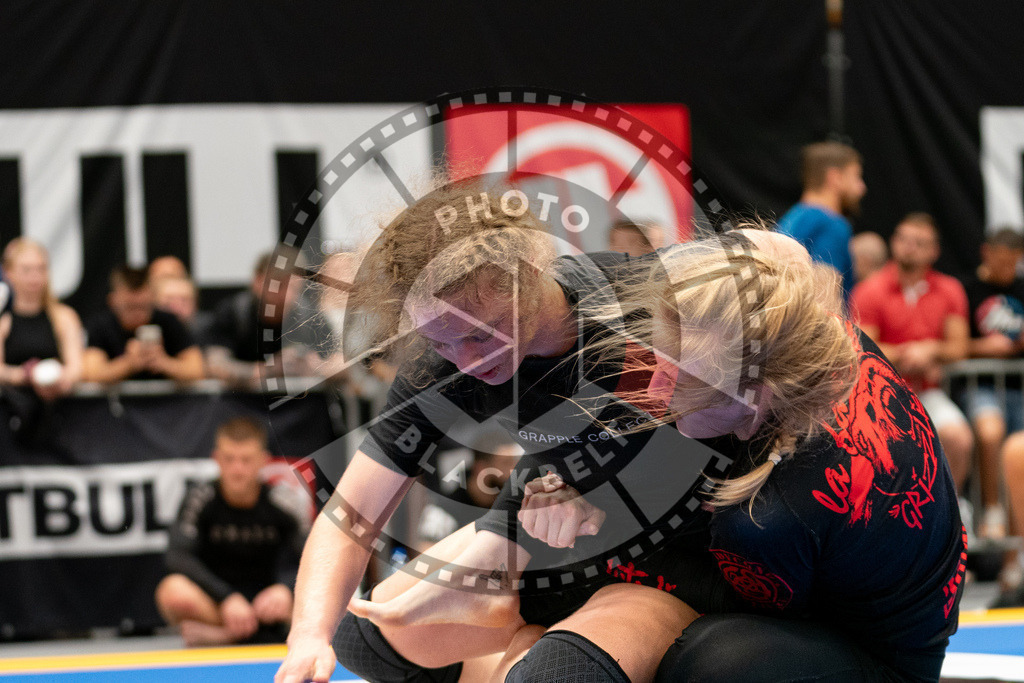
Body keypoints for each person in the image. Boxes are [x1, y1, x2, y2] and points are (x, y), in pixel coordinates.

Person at [275, 181, 734, 683]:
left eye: (482, 332)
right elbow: (353, 511)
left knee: (550, 674)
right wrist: (306, 638)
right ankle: (522, 639)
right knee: (360, 639)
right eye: (441, 340)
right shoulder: (443, 364)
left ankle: (532, 650)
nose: (469, 362)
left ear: (532, 270)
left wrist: (583, 496)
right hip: (563, 537)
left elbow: (757, 420)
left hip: (683, 552)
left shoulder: (644, 305)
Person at [503, 236, 965, 681]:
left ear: (748, 398)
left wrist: (600, 524)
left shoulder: (768, 513)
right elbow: (777, 255)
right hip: (911, 584)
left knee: (707, 659)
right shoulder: (806, 328)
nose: (654, 389)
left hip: (885, 655)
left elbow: (725, 600)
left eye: (678, 382)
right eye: (658, 360)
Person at [850, 213, 974, 500]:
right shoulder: (870, 290)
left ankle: (947, 511)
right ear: (894, 243)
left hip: (929, 393)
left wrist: (932, 350)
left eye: (919, 242)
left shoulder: (950, 290)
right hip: (880, 395)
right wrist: (910, 353)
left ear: (935, 250)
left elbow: (959, 348)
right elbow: (862, 344)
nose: (910, 246)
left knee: (958, 438)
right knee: (886, 450)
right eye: (904, 239)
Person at [155, 416, 310, 646]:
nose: (237, 469)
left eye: (246, 460)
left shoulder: (284, 501)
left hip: (272, 604)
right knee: (171, 591)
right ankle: (255, 634)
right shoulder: (200, 498)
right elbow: (178, 556)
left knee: (316, 592)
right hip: (219, 603)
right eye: (229, 459)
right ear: (216, 459)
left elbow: (314, 555)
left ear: (263, 461)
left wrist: (285, 588)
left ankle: (227, 636)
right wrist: (226, 597)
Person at [956, 227, 1024, 540]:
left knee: (1018, 460)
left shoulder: (1020, 287)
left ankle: (1014, 557)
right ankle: (992, 510)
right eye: (1003, 262)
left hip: (1017, 386)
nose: (1008, 270)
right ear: (987, 253)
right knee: (990, 432)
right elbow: (953, 344)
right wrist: (984, 348)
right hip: (981, 385)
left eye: (1014, 263)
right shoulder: (966, 289)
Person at [206, 251, 329, 388]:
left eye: (294, 288)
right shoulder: (233, 313)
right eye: (279, 286)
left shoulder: (309, 316)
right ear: (258, 281)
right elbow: (215, 366)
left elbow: (339, 362)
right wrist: (270, 369)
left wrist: (318, 368)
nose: (286, 296)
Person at [82, 265, 204, 383]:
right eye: (130, 307)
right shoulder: (101, 325)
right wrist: (129, 363)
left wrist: (163, 362)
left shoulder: (168, 321)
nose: (137, 313)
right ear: (113, 301)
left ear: (152, 299)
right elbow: (92, 373)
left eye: (143, 307)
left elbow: (197, 369)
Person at [776, 140, 866, 299]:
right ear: (835, 178)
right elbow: (824, 302)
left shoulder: (790, 219)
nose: (862, 188)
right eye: (856, 177)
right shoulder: (832, 225)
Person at [0, 238, 83, 400]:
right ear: (8, 273)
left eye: (41, 269)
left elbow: (76, 368)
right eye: (27, 270)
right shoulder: (3, 319)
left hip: (57, 409)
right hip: (10, 411)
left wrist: (59, 378)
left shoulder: (64, 317)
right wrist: (24, 375)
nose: (35, 277)